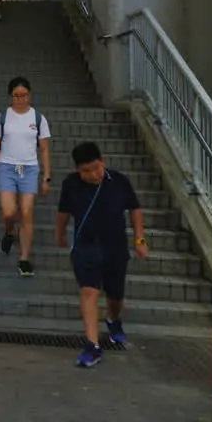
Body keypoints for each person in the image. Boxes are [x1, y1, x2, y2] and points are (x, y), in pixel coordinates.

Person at [55, 141, 149, 368]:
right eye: (86, 171)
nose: (92, 175)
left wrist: (140, 239)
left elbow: (135, 209)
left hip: (115, 245)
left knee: (115, 294)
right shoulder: (71, 184)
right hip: (86, 246)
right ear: (78, 170)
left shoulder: (118, 181)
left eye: (96, 168)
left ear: (103, 162)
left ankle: (114, 320)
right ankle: (92, 345)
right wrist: (59, 234)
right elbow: (63, 212)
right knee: (89, 290)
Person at [0, 77, 52, 277]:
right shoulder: (3, 117)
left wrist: (46, 177)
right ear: (10, 96)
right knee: (9, 212)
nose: (20, 99)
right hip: (6, 167)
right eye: (16, 96)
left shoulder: (38, 118)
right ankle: (9, 232)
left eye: (24, 95)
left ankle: (24, 258)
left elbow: (45, 149)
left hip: (29, 169)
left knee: (27, 212)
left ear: (29, 95)